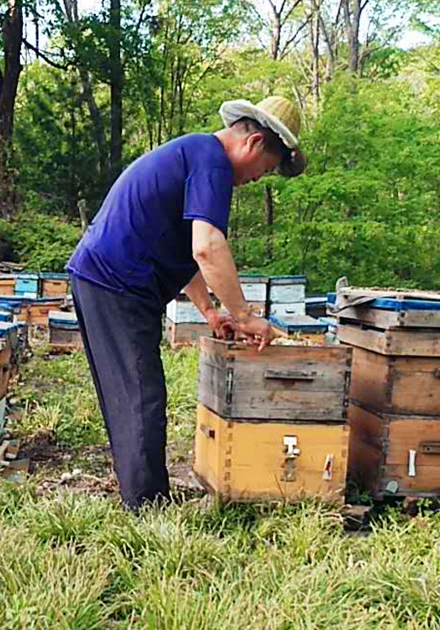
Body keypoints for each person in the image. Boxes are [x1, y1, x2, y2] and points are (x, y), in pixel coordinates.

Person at [66, 95, 307, 512]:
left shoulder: (196, 154)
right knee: (142, 393)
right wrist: (246, 316)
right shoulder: (212, 162)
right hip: (115, 281)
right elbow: (208, 248)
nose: (255, 179)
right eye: (265, 169)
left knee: (132, 392)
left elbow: (185, 253)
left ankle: (141, 494)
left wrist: (210, 311)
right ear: (253, 143)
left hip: (106, 278)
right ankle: (148, 508)